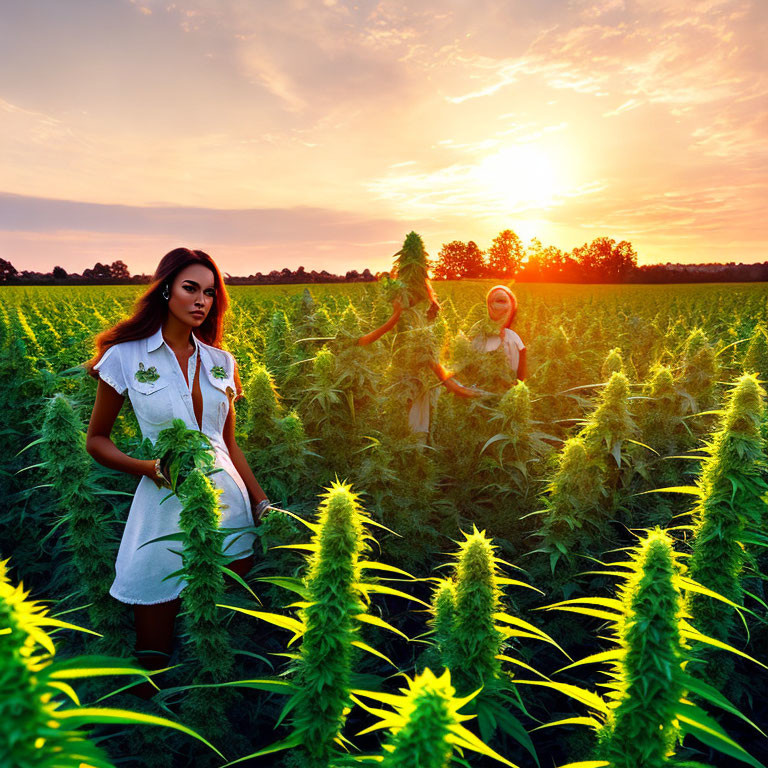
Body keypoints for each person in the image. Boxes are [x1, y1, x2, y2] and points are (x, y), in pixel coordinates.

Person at [84, 247, 270, 697]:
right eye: (191, 288)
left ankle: (218, 710)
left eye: (210, 293)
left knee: (225, 627)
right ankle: (154, 721)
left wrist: (262, 501)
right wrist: (149, 468)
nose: (201, 300)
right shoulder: (125, 357)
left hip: (230, 507)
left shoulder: (223, 362)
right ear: (166, 289)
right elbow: (97, 440)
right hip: (163, 501)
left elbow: (227, 443)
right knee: (153, 640)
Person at [467, 285, 527, 388]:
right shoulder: (479, 335)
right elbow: (469, 365)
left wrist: (518, 387)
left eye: (504, 302)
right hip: (482, 390)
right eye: (494, 302)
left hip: (508, 391)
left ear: (511, 308)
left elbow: (522, 370)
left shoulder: (513, 337)